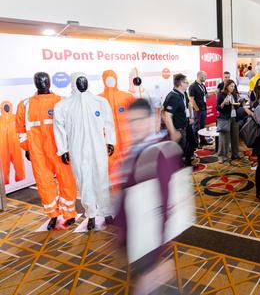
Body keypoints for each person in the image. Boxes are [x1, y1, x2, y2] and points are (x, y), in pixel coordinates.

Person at [115, 99, 183, 294]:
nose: (134, 126)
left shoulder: (158, 153)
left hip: (148, 239)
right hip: (134, 234)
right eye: (131, 121)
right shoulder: (136, 149)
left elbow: (165, 201)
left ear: (150, 120)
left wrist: (157, 250)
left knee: (148, 286)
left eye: (139, 120)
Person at [54, 72, 116, 231]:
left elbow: (109, 123)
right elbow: (59, 129)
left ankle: (106, 211)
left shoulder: (100, 102)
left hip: (98, 147)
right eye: (79, 81)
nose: (82, 84)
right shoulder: (63, 106)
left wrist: (110, 141)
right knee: (84, 181)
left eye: (84, 80)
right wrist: (63, 149)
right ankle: (91, 214)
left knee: (102, 179)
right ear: (73, 84)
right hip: (77, 149)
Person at [16, 72, 78, 230]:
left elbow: (71, 127)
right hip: (38, 153)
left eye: (44, 80)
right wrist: (27, 148)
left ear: (50, 82)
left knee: (67, 181)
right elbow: (20, 130)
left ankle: (69, 213)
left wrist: (69, 148)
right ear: (34, 83)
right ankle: (53, 215)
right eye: (38, 80)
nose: (42, 83)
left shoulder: (62, 101)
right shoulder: (25, 105)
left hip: (60, 150)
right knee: (44, 184)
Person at [162, 74, 191, 154]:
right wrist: (173, 132)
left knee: (182, 151)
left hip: (181, 128)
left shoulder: (180, 94)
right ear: (181, 83)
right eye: (186, 82)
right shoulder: (174, 97)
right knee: (177, 154)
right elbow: (166, 115)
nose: (188, 84)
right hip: (177, 130)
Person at [216, 80, 241, 161]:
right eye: (231, 86)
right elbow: (218, 108)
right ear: (227, 86)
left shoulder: (234, 94)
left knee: (235, 137)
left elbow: (236, 106)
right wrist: (223, 103)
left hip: (234, 118)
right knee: (224, 139)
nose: (233, 88)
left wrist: (239, 104)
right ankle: (222, 156)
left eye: (233, 86)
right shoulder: (221, 95)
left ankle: (235, 154)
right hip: (225, 118)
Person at [188, 71, 210, 146]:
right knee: (196, 127)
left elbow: (206, 95)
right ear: (200, 76)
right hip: (198, 110)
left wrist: (214, 93)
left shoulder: (203, 85)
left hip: (204, 108)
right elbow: (191, 99)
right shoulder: (192, 86)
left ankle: (202, 141)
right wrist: (197, 109)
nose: (206, 77)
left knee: (202, 126)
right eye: (205, 76)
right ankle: (196, 143)